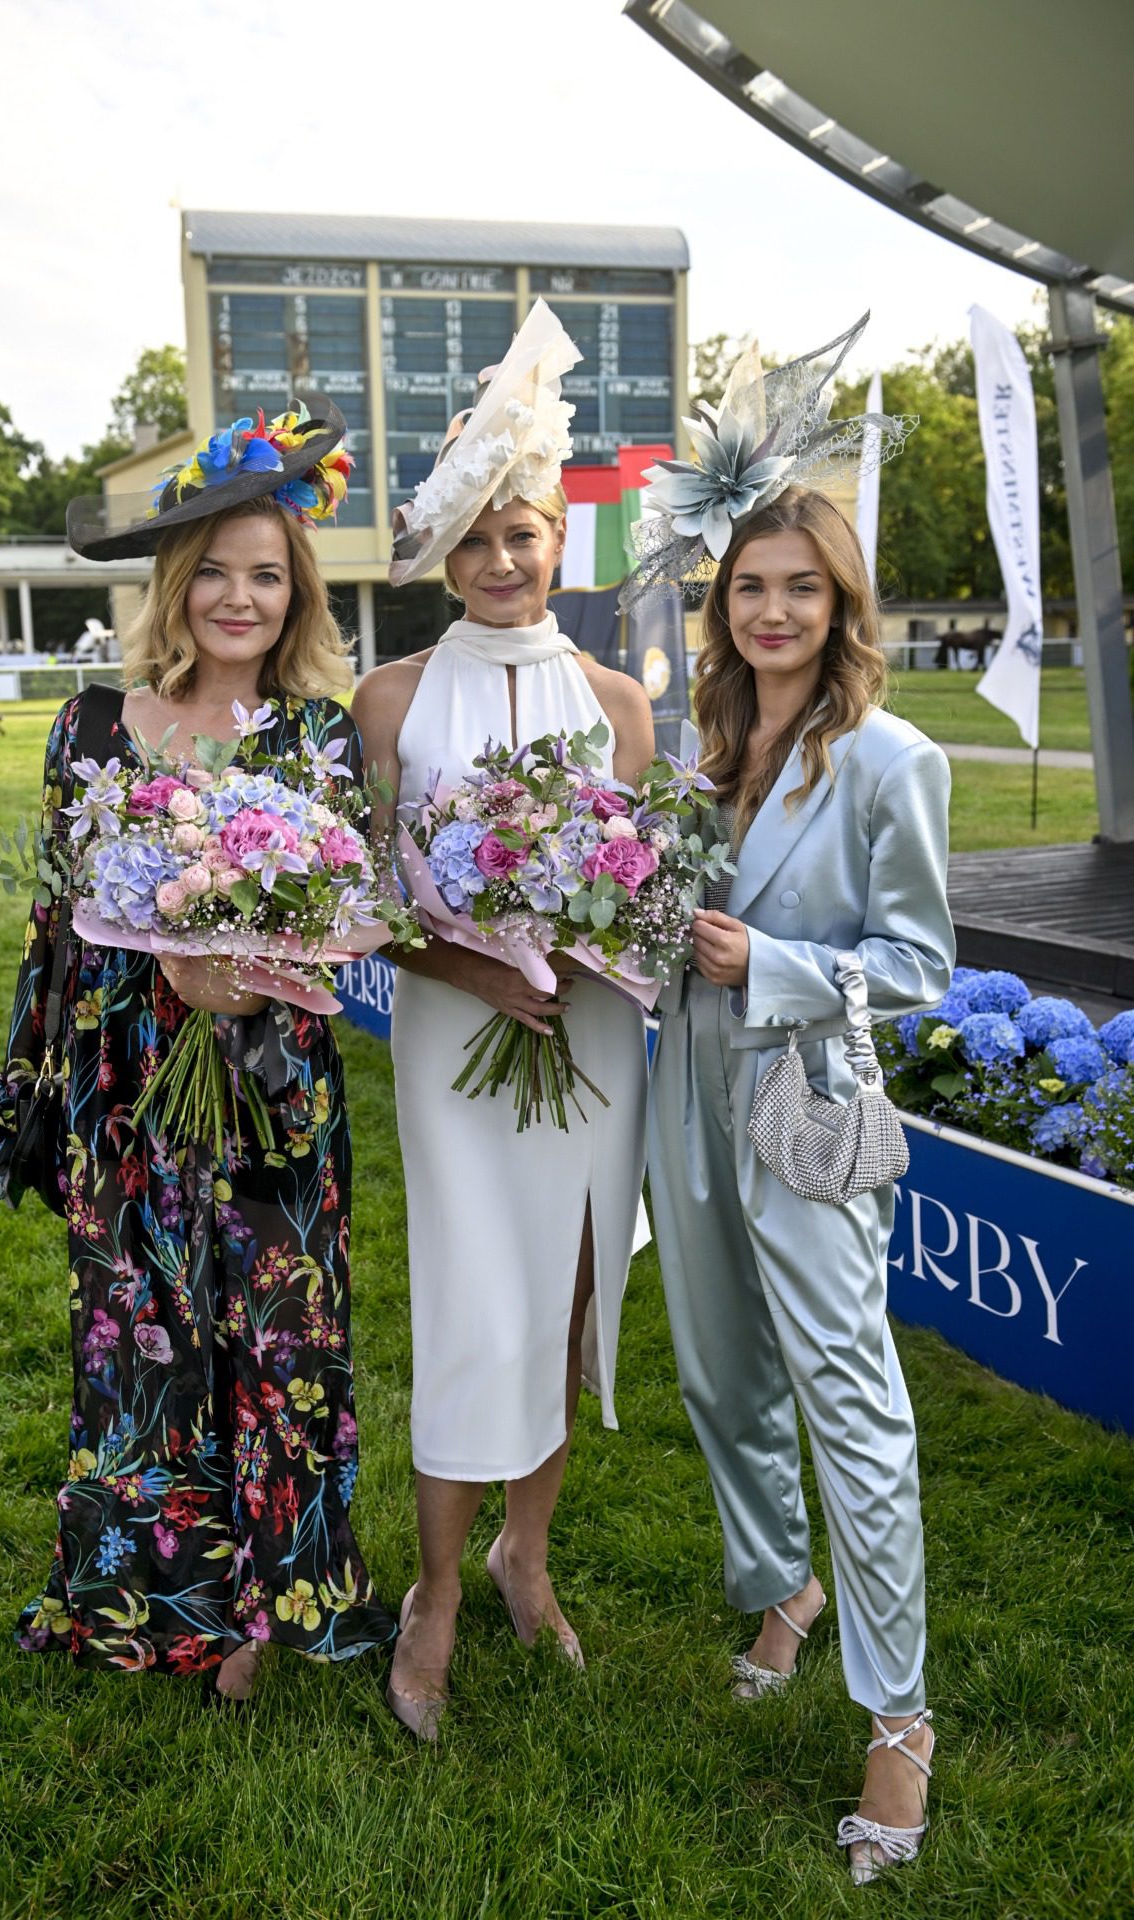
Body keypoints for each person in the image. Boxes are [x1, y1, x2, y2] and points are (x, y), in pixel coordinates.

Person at [0, 399, 395, 1704]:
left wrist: (246, 975)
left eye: (266, 574)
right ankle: (142, 1594)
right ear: (175, 579)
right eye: (214, 568)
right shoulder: (91, 726)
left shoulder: (317, 741)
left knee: (277, 1335)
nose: (238, 595)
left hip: (271, 1092)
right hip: (128, 1085)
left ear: (296, 592)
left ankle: (268, 1611)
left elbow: (344, 930)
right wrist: (108, 1017)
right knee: (143, 1338)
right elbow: (54, 924)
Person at [627, 322, 954, 1884]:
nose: (771, 612)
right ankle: (782, 1589)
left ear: (841, 604)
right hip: (683, 1082)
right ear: (724, 603)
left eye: (800, 589)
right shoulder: (704, 746)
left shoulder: (892, 760)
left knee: (850, 1400)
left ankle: (898, 1721)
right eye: (748, 587)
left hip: (806, 1100)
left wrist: (776, 963)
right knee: (715, 1364)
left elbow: (921, 963)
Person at [353, 301, 656, 1739]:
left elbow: (643, 888)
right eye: (469, 535)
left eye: (517, 531)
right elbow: (365, 900)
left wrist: (588, 960)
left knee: (574, 1285)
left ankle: (526, 1550)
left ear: (555, 538)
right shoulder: (391, 697)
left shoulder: (616, 699)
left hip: (589, 1040)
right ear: (443, 547)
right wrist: (483, 974)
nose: (494, 559)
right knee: (474, 1294)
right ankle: (435, 1592)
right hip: (454, 1036)